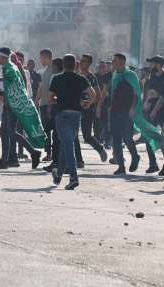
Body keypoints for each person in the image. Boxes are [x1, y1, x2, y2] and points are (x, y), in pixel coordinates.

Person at [0, 48, 45, 170]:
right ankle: (8, 159)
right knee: (5, 131)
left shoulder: (8, 68)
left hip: (12, 105)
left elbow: (12, 87)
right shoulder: (11, 67)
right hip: (13, 104)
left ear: (2, 57)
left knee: (9, 132)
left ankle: (31, 152)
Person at [48, 54, 96, 190]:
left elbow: (50, 99)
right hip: (76, 115)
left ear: (63, 65)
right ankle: (58, 176)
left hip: (62, 115)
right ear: (75, 65)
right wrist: (87, 103)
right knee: (66, 144)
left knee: (68, 145)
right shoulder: (81, 78)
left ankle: (74, 177)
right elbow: (93, 94)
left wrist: (60, 99)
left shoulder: (56, 79)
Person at [109, 53, 141, 175]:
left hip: (127, 111)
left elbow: (136, 93)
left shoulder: (131, 75)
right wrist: (110, 107)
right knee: (116, 139)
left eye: (115, 61)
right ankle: (121, 166)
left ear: (122, 63)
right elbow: (113, 92)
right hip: (115, 111)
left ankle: (135, 156)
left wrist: (133, 108)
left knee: (127, 137)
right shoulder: (115, 75)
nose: (112, 63)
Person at [142, 55, 164, 173]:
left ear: (159, 64)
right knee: (147, 136)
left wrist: (156, 99)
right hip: (151, 109)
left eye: (153, 63)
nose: (151, 65)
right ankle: (153, 163)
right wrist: (146, 102)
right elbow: (148, 90)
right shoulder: (152, 75)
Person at [77, 54, 108, 163]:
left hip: (87, 110)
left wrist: (89, 104)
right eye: (80, 61)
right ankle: (79, 160)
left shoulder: (91, 77)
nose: (81, 63)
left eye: (84, 61)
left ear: (89, 64)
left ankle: (100, 149)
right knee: (74, 136)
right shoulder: (78, 75)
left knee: (87, 136)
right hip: (76, 109)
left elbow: (98, 95)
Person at [37, 49, 54, 162]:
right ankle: (49, 153)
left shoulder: (54, 70)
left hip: (50, 104)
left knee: (52, 130)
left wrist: (50, 103)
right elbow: (41, 87)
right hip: (43, 103)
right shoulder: (45, 71)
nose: (40, 60)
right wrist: (36, 100)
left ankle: (53, 153)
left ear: (47, 57)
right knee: (46, 130)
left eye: (41, 58)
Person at [96, 60, 113, 149]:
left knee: (109, 123)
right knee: (104, 122)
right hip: (105, 101)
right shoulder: (105, 76)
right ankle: (104, 141)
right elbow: (104, 90)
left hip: (113, 102)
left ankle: (108, 141)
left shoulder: (116, 75)